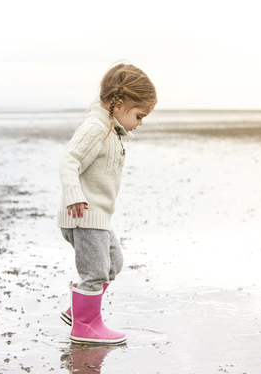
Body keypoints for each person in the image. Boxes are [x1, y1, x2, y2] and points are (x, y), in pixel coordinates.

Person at [58, 62, 157, 345]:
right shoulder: (96, 127)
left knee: (114, 262)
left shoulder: (110, 128)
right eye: (139, 115)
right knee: (95, 271)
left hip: (97, 217)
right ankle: (85, 326)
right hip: (84, 214)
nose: (140, 122)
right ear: (120, 103)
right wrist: (74, 194)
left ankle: (77, 312)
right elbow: (69, 160)